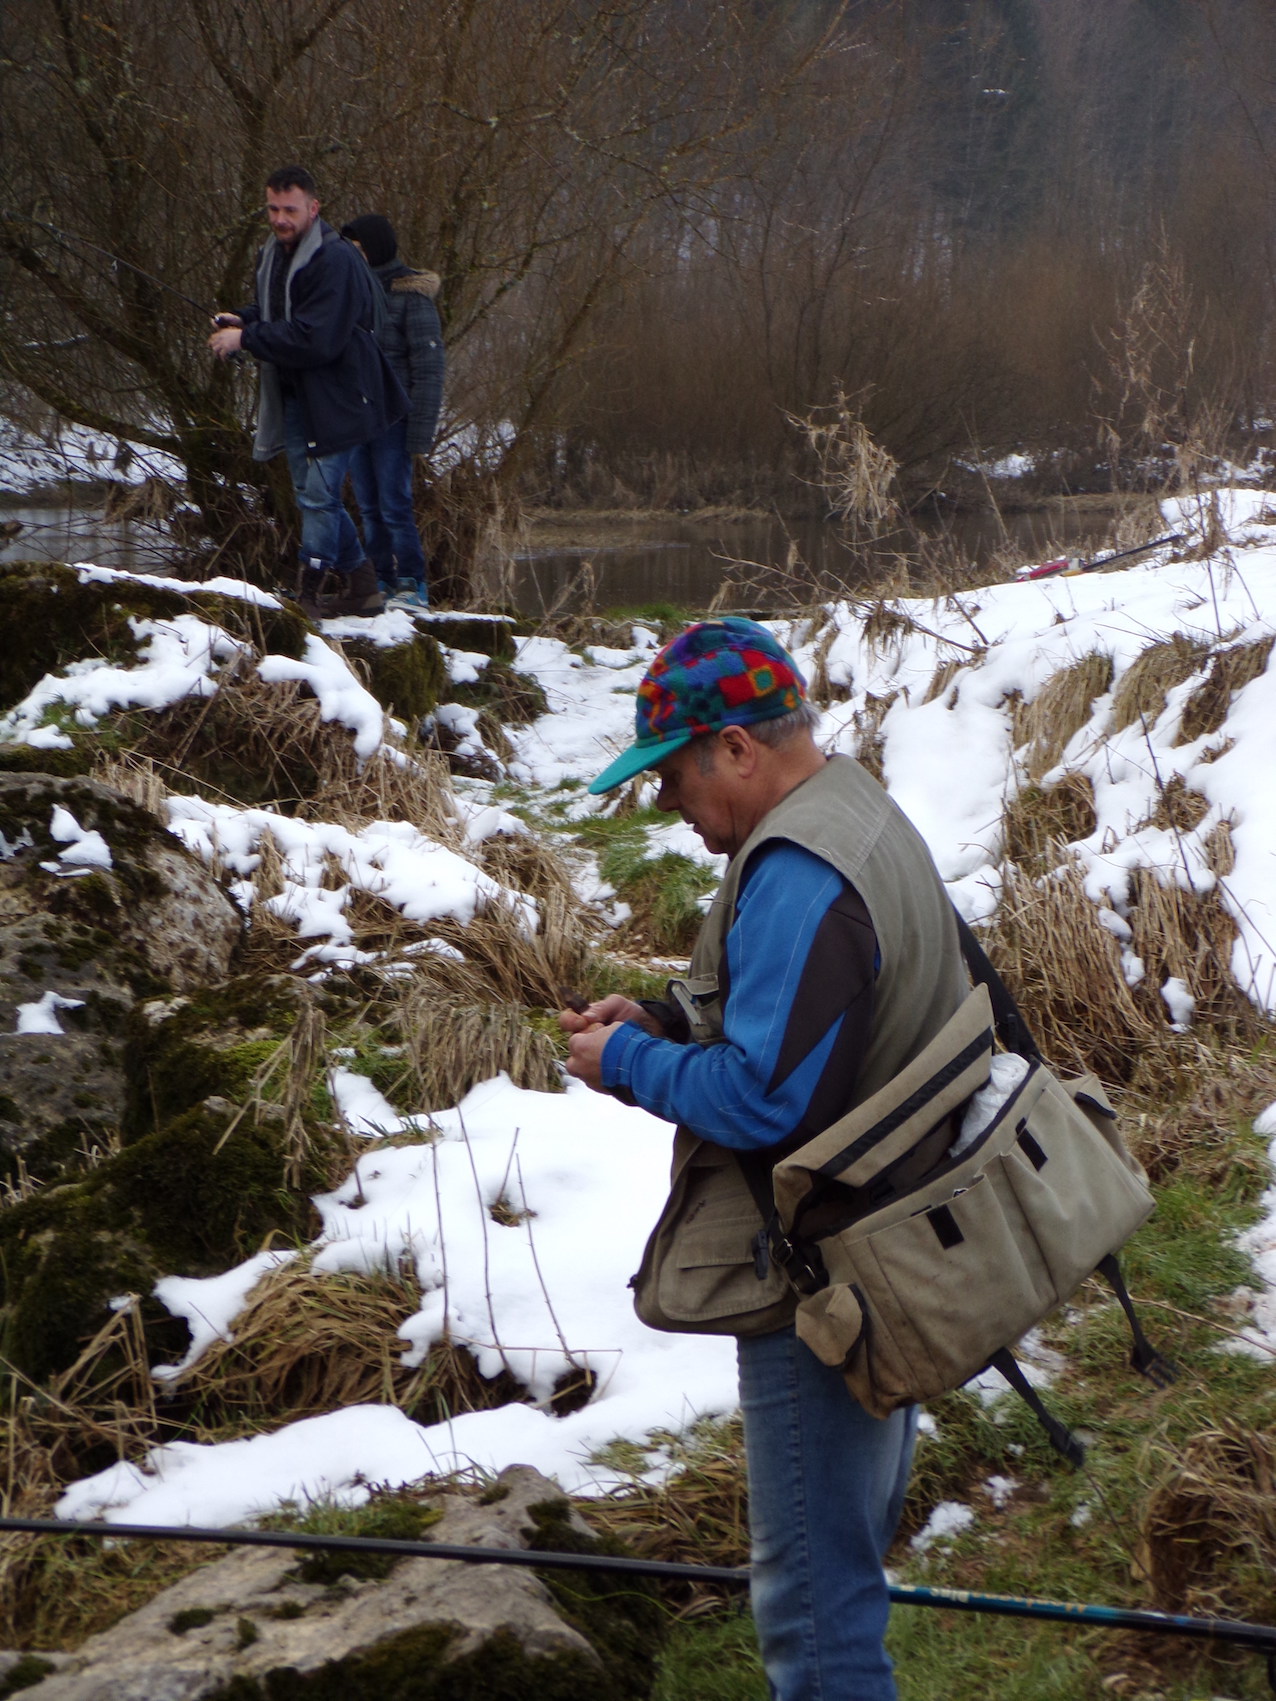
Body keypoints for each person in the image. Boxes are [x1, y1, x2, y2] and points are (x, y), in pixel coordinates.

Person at [560, 617, 968, 1701]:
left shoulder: (796, 873)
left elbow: (762, 1097)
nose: (666, 804)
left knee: (813, 1610)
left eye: (672, 776)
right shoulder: (854, 809)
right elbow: (816, 1020)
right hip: (894, 1248)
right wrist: (662, 1017)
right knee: (841, 1565)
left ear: (736, 748)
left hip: (826, 1287)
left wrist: (626, 1061)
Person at [208, 165, 406, 619]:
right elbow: (280, 310)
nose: (280, 219)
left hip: (341, 396)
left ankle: (308, 598)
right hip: (296, 393)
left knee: (318, 497)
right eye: (273, 209)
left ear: (313, 208)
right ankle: (364, 587)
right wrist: (244, 319)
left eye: (290, 210)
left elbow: (316, 337)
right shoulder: (274, 253)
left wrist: (247, 339)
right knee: (311, 495)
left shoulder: (335, 259)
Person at [340, 213, 445, 609]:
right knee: (368, 507)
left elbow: (429, 369)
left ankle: (413, 583)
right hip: (356, 418)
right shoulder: (349, 294)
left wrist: (420, 432)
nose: (354, 256)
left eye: (360, 249)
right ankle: (381, 579)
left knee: (394, 505)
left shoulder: (411, 298)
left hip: (394, 419)